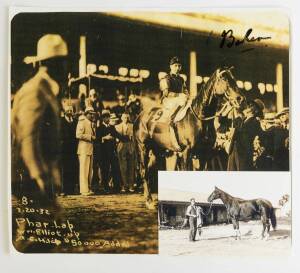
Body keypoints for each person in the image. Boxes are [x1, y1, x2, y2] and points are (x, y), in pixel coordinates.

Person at [11, 34, 69, 252]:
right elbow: (28, 138)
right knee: (45, 234)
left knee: (41, 233)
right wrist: (41, 179)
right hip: (28, 175)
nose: (66, 66)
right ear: (51, 63)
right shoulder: (36, 90)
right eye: (62, 61)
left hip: (32, 175)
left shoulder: (46, 88)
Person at [227, 99, 265, 171]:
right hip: (233, 150)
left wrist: (239, 115)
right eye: (249, 104)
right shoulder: (243, 118)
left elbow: (243, 132)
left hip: (243, 154)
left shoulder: (255, 122)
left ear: (256, 111)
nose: (249, 106)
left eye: (252, 105)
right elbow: (234, 124)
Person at [97, 109, 128, 193]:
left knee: (115, 168)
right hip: (103, 152)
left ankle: (117, 187)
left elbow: (117, 135)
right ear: (103, 119)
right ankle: (105, 187)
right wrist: (104, 138)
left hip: (112, 151)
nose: (107, 119)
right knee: (105, 170)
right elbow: (97, 139)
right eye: (105, 117)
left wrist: (125, 138)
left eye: (108, 117)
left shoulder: (111, 127)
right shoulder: (99, 128)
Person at [76, 107, 96, 195]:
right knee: (84, 170)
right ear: (86, 114)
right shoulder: (82, 122)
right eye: (90, 114)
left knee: (89, 171)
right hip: (83, 149)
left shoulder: (91, 123)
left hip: (90, 149)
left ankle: (88, 188)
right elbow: (78, 135)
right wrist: (90, 137)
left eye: (93, 114)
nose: (92, 115)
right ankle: (84, 190)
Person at [115, 113, 136, 193]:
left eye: (127, 117)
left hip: (130, 145)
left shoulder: (132, 126)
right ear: (121, 118)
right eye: (124, 117)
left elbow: (134, 136)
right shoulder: (118, 126)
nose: (126, 119)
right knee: (123, 166)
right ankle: (124, 185)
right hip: (121, 145)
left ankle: (131, 185)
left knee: (131, 166)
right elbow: (117, 138)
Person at [61, 104, 78, 195]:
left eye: (71, 110)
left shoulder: (75, 121)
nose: (70, 112)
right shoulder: (61, 122)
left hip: (74, 148)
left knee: (73, 168)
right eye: (68, 110)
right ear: (64, 112)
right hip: (65, 149)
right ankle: (64, 189)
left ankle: (71, 189)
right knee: (65, 169)